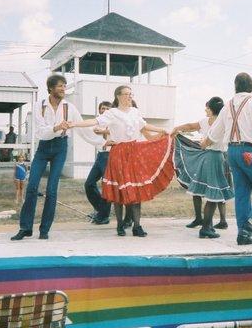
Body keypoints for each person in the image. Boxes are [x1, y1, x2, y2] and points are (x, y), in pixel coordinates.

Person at [11, 74, 102, 241]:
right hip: (44, 147)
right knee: (31, 187)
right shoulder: (40, 106)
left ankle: (44, 230)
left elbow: (82, 129)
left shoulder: (70, 107)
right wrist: (57, 127)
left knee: (52, 190)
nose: (63, 88)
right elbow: (40, 133)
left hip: (60, 147)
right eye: (60, 85)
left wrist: (102, 142)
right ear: (51, 88)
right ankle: (25, 228)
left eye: (65, 85)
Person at [73, 85, 171, 237]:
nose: (130, 97)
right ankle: (119, 225)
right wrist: (74, 123)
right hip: (118, 153)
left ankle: (136, 226)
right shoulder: (112, 113)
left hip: (133, 152)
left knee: (135, 189)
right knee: (118, 190)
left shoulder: (135, 112)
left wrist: (162, 130)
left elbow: (144, 125)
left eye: (131, 94)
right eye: (126, 94)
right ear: (118, 96)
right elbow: (94, 121)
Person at [202, 72, 252, 245]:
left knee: (242, 193)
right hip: (249, 151)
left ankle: (243, 234)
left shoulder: (228, 105)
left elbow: (214, 133)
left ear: (235, 87)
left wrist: (204, 143)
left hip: (232, 153)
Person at [172, 97, 232, 238]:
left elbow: (206, 138)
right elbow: (191, 126)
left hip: (216, 156)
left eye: (207, 107)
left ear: (212, 110)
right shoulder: (209, 121)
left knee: (214, 193)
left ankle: (207, 226)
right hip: (211, 156)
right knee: (213, 192)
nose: (205, 110)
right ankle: (206, 226)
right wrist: (177, 128)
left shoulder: (221, 122)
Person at [84, 101, 112, 224]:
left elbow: (119, 132)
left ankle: (103, 216)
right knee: (89, 184)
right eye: (102, 108)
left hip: (111, 156)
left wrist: (104, 132)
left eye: (107, 108)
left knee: (106, 186)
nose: (104, 110)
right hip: (101, 155)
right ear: (99, 110)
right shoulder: (97, 123)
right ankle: (101, 210)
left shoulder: (114, 122)